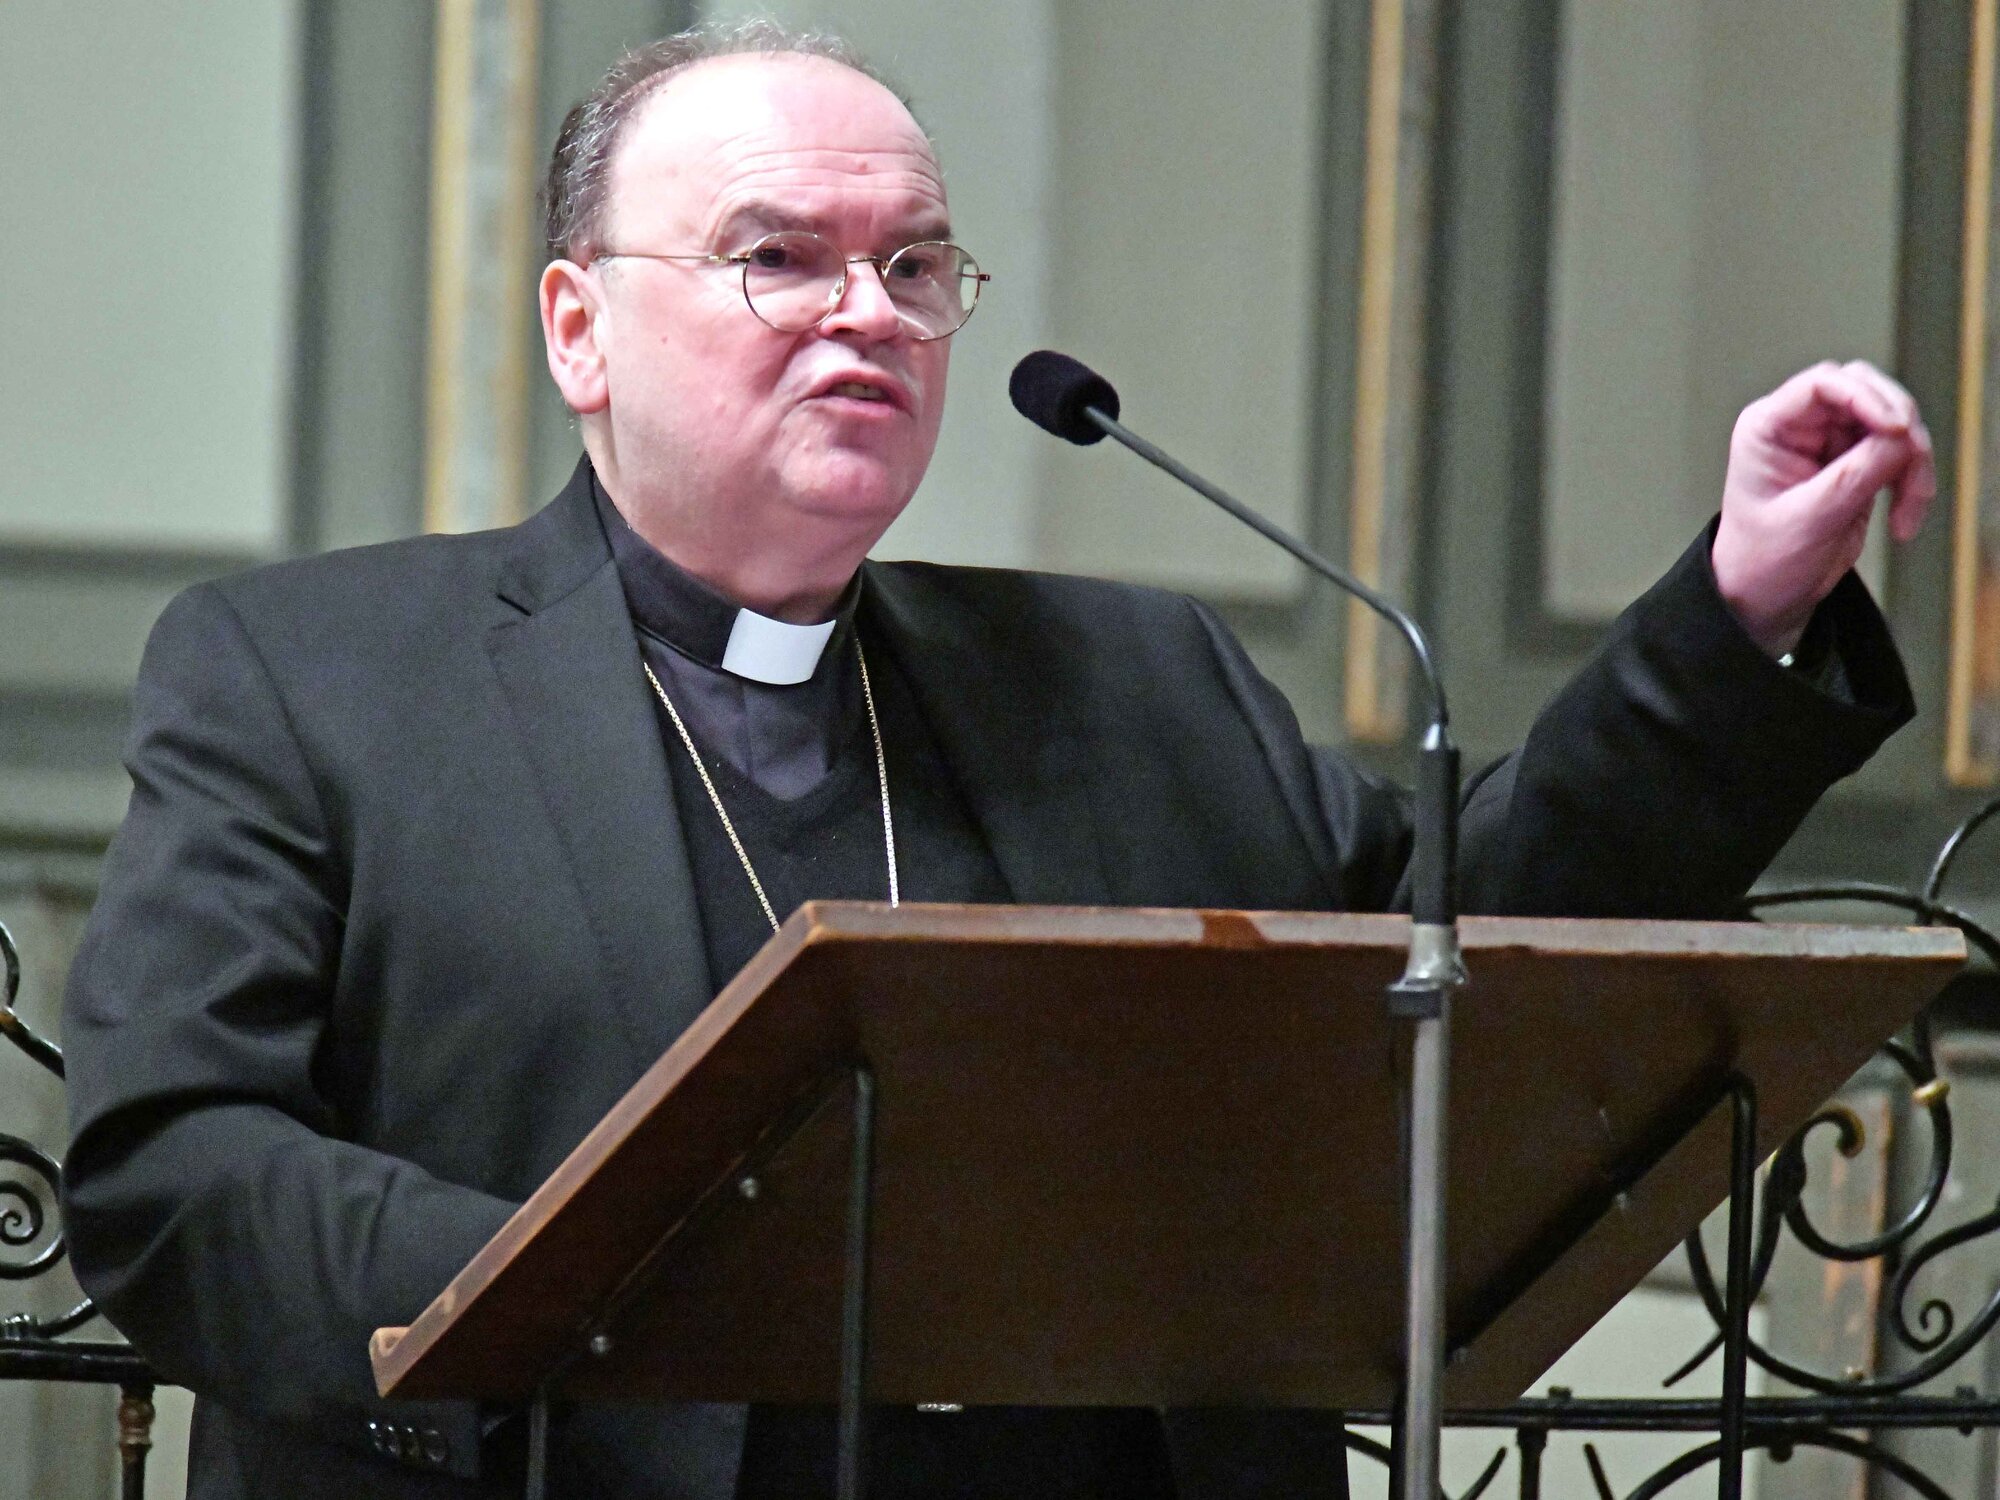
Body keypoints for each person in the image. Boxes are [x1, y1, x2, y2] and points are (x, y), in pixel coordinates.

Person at [60, 21, 1934, 1500]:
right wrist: (590, 1291)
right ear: (580, 327)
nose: (865, 312)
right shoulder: (311, 676)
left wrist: (1740, 600)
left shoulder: (1136, 677)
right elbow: (175, 1162)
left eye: (915, 264)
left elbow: (1481, 956)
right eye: (777, 258)